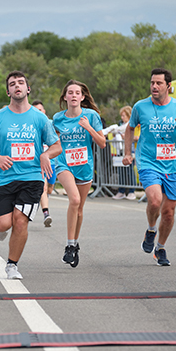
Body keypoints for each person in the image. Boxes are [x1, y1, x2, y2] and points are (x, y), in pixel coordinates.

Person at [0, 71, 61, 280]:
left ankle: (12, 265)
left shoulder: (39, 118)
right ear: (8, 91)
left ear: (28, 89)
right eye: (13, 84)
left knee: (20, 220)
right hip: (5, 178)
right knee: (2, 224)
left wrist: (45, 154)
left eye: (21, 83)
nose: (17, 86)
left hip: (32, 177)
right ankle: (1, 228)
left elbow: (57, 146)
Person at [123, 68, 176, 266]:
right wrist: (127, 153)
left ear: (169, 86)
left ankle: (161, 248)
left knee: (168, 212)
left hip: (174, 164)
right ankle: (150, 229)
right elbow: (130, 128)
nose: (154, 86)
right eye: (152, 83)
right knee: (155, 201)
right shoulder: (141, 106)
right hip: (149, 161)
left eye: (158, 83)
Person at [53, 80, 106, 267]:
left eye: (77, 93)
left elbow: (102, 143)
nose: (74, 95)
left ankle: (74, 244)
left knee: (80, 209)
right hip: (64, 163)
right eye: (70, 92)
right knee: (74, 200)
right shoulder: (57, 119)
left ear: (82, 97)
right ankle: (69, 245)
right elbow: (54, 143)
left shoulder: (91, 116)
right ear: (65, 97)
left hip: (84, 165)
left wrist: (89, 128)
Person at [32, 99, 57, 227]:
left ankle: (42, 200)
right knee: (44, 187)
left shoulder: (51, 123)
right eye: (36, 110)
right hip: (40, 163)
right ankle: (46, 213)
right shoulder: (32, 126)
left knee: (50, 189)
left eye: (40, 110)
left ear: (44, 111)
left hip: (53, 162)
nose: (38, 112)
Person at [109, 106, 138, 200]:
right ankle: (121, 191)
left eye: (124, 115)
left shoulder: (132, 124)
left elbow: (136, 136)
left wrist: (126, 136)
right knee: (121, 171)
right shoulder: (121, 125)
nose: (122, 117)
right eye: (121, 116)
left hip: (129, 150)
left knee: (129, 171)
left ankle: (131, 191)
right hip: (120, 151)